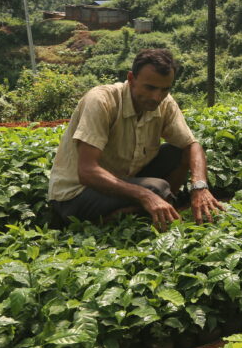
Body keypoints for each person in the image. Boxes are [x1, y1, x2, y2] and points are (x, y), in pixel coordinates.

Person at [47, 48, 222, 229]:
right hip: (76, 195)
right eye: (150, 88)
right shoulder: (102, 101)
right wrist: (145, 195)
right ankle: (98, 222)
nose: (157, 97)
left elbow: (192, 146)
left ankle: (162, 207)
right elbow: (87, 172)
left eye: (165, 89)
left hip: (123, 180)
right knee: (157, 188)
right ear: (131, 79)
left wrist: (200, 187)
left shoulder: (164, 102)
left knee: (177, 152)